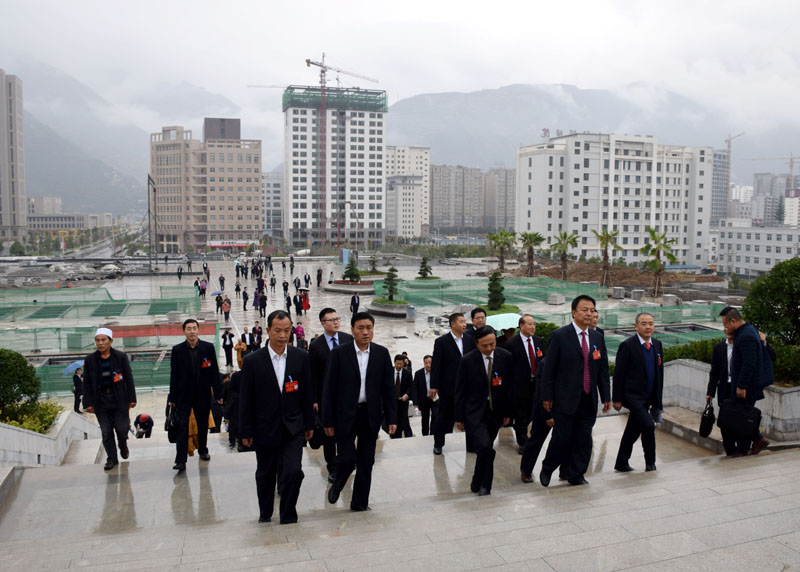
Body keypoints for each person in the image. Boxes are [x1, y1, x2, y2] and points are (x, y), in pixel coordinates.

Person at [239, 310, 315, 524]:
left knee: (293, 471)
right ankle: (265, 513)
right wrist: (245, 430)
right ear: (268, 331)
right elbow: (246, 399)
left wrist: (310, 422)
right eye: (278, 331)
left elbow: (307, 393)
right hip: (265, 428)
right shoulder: (253, 361)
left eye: (287, 330)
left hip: (293, 427)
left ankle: (288, 514)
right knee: (265, 474)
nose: (283, 336)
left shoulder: (301, 357)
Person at [323, 312, 396, 512]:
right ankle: (338, 482)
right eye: (360, 328)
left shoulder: (381, 353)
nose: (365, 332)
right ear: (352, 330)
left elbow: (388, 388)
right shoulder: (339, 353)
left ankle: (359, 502)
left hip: (370, 414)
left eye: (369, 328)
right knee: (346, 458)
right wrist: (327, 420)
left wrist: (391, 417)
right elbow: (329, 388)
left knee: (367, 460)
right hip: (345, 414)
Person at [539, 295, 611, 487]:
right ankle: (547, 468)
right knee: (561, 438)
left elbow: (602, 369)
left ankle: (576, 474)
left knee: (584, 439)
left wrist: (606, 396)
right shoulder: (560, 335)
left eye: (592, 310)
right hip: (565, 399)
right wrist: (547, 396)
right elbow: (549, 370)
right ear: (573, 312)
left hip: (589, 398)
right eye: (585, 309)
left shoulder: (597, 337)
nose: (589, 313)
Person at [455, 327, 513, 495]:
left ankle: (476, 480)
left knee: (485, 449)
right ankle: (485, 486)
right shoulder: (467, 360)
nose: (488, 349)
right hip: (474, 412)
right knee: (485, 447)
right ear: (477, 344)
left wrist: (508, 413)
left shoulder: (505, 357)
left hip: (496, 412)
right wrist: (459, 417)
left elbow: (509, 387)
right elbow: (460, 390)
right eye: (484, 345)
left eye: (492, 344)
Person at [168, 319, 222, 473]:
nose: (192, 331)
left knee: (202, 424)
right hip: (183, 395)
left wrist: (218, 393)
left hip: (203, 394)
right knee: (182, 427)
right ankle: (180, 460)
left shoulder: (208, 348)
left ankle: (203, 449)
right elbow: (174, 375)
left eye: (194, 328)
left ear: (198, 330)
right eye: (188, 329)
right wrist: (172, 398)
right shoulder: (177, 350)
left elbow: (214, 372)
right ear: (184, 331)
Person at [612, 312, 664, 472]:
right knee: (648, 426)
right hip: (633, 396)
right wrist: (617, 398)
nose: (648, 327)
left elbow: (659, 372)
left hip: (649, 396)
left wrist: (658, 400)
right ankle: (651, 463)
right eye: (644, 323)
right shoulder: (627, 345)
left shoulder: (657, 344)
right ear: (636, 326)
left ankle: (621, 463)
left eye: (651, 323)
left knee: (632, 431)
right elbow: (619, 373)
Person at [718, 307, 772, 456]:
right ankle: (757, 440)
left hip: (747, 387)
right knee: (741, 415)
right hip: (745, 385)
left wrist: (741, 386)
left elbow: (749, 363)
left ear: (733, 321)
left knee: (743, 417)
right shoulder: (747, 331)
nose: (725, 327)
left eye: (726, 324)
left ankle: (744, 449)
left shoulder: (746, 335)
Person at [309, 308, 354, 483]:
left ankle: (346, 462)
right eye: (331, 320)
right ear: (323, 323)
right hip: (325, 398)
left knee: (347, 431)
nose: (336, 322)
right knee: (329, 434)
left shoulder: (347, 339)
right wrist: (313, 399)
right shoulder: (316, 346)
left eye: (337, 318)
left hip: (347, 396)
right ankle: (332, 467)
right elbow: (312, 375)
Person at [82, 328, 137, 471]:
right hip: (101, 401)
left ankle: (123, 445)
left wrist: (132, 398)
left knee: (121, 428)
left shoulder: (120, 357)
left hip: (119, 399)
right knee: (106, 431)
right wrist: (87, 403)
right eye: (97, 340)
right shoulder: (90, 360)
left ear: (111, 341)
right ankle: (112, 458)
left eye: (103, 340)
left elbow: (129, 378)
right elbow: (86, 382)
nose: (100, 343)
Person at [430, 313, 477, 455]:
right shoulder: (442, 341)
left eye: (465, 322)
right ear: (453, 324)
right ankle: (438, 443)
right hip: (448, 386)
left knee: (469, 415)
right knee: (444, 416)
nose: (464, 324)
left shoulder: (470, 340)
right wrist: (434, 385)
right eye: (461, 322)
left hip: (468, 385)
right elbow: (436, 365)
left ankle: (471, 444)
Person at [507, 315, 545, 454]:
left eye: (533, 324)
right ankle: (522, 442)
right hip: (520, 385)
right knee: (521, 414)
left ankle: (528, 436)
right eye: (529, 324)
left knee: (532, 412)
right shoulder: (512, 343)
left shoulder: (538, 341)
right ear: (521, 326)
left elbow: (542, 361)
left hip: (536, 384)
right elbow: (509, 367)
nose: (532, 327)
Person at [413, 356, 437, 436]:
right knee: (425, 418)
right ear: (424, 363)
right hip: (424, 399)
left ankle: (433, 433)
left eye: (430, 363)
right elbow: (415, 388)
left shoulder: (437, 372)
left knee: (435, 415)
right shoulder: (418, 374)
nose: (428, 365)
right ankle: (425, 434)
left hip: (435, 399)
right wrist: (415, 402)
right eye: (426, 363)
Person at [390, 354, 413, 438]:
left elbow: (411, 386)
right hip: (392, 401)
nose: (399, 366)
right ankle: (394, 434)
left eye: (401, 364)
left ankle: (404, 434)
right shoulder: (389, 372)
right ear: (394, 363)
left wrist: (407, 395)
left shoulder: (407, 373)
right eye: (397, 363)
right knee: (393, 418)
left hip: (403, 400)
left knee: (403, 418)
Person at [224, 370, 241, 448]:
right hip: (234, 406)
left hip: (235, 405)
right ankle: (233, 441)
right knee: (233, 425)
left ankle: (235, 441)